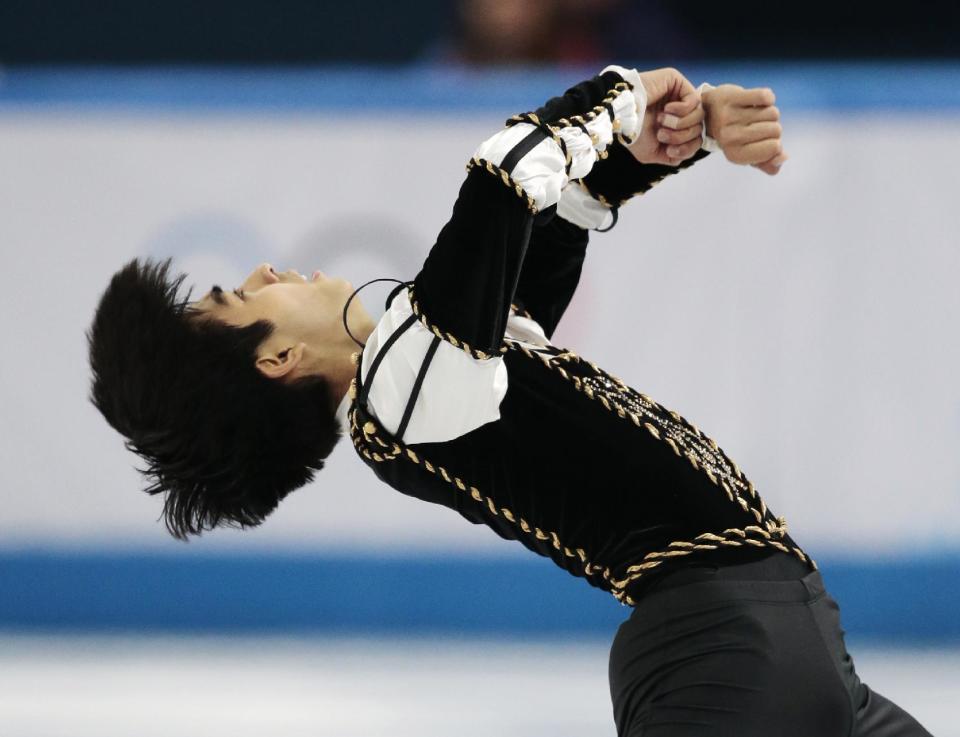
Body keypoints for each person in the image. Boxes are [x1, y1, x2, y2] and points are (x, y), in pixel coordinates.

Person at [87, 65, 930, 736]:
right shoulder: (403, 394)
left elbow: (554, 220)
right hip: (728, 655)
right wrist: (624, 95)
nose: (268, 271)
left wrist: (680, 130)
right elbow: (502, 181)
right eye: (243, 295)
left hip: (797, 648)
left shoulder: (432, 368)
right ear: (276, 358)